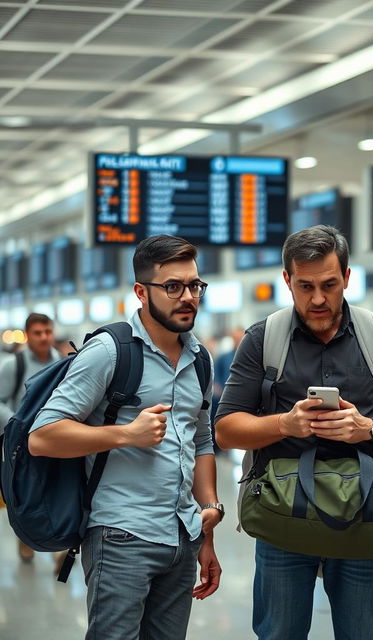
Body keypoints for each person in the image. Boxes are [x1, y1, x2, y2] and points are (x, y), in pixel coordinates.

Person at [215, 225, 373, 640]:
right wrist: (284, 423)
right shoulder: (263, 339)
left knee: (362, 632)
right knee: (280, 632)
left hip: (366, 513)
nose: (317, 299)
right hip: (284, 514)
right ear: (287, 280)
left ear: (348, 278)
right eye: (305, 286)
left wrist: (369, 428)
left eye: (329, 285)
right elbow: (227, 430)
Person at [28, 235, 222, 640]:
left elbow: (202, 441)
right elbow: (43, 435)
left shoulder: (200, 359)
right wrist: (126, 434)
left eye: (194, 285)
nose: (188, 297)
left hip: (183, 536)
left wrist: (209, 518)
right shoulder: (110, 350)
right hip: (120, 536)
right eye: (173, 286)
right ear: (141, 292)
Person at [0, 312, 60, 563]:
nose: (44, 337)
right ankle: (25, 537)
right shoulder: (14, 365)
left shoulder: (61, 361)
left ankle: (61, 547)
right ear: (28, 335)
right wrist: (17, 424)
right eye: (38, 333)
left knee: (59, 490)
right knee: (27, 494)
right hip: (22, 445)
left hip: (56, 439)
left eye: (47, 332)